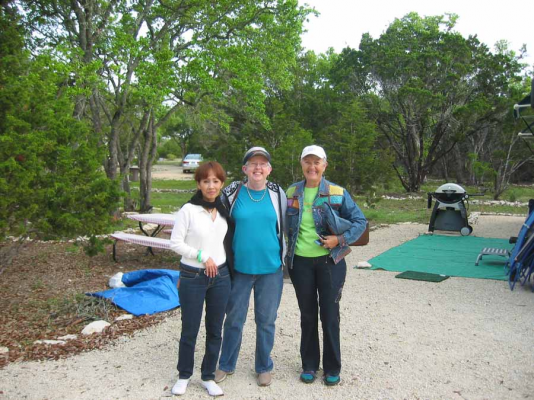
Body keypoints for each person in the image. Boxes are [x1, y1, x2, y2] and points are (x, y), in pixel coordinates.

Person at [285, 145, 367, 386]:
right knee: (307, 314)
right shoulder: (292, 192)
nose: (312, 167)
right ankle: (309, 365)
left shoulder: (337, 192)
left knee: (330, 315)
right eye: (307, 162)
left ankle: (332, 367)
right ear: (301, 164)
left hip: (331, 262)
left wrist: (339, 240)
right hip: (299, 263)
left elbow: (360, 221)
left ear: (324, 165)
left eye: (317, 162)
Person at [214, 146, 287, 387]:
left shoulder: (278, 194)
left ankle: (264, 366)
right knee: (234, 318)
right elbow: (213, 220)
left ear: (269, 169)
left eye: (262, 164)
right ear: (244, 169)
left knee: (266, 320)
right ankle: (226, 363)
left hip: (271, 270)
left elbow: (287, 227)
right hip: (240, 270)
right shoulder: (233, 192)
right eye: (252, 163)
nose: (257, 167)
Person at [169, 161, 233, 397]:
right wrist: (201, 256)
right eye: (206, 181)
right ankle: (184, 375)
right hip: (193, 276)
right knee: (190, 329)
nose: (211, 185)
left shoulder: (223, 208)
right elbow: (175, 243)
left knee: (215, 329)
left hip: (221, 277)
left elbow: (226, 241)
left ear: (221, 184)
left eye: (215, 181)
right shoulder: (188, 210)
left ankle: (208, 376)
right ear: (198, 184)